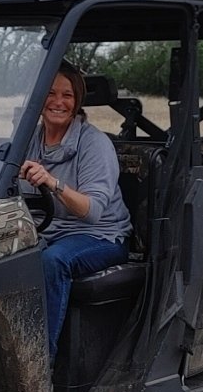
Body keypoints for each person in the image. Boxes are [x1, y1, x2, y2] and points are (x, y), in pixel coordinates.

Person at [19, 61, 131, 361]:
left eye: (67, 95)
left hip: (99, 237)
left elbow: (92, 212)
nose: (58, 102)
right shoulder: (28, 138)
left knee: (53, 261)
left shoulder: (95, 143)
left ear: (78, 101)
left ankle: (42, 364)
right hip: (47, 231)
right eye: (51, 93)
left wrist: (52, 182)